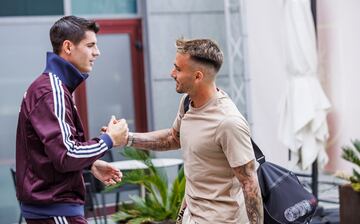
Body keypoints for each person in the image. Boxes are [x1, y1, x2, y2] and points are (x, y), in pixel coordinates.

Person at [125, 38, 264, 223]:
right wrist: (127, 138)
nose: (172, 73)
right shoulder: (187, 103)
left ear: (198, 76)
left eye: (178, 69)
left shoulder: (228, 122)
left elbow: (249, 184)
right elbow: (172, 138)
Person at [15, 16, 128, 224]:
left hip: (52, 209)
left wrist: (90, 164)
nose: (97, 52)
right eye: (90, 45)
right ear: (68, 46)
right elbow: (66, 154)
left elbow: (53, 152)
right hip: (55, 210)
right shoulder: (52, 90)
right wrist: (109, 139)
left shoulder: (52, 87)